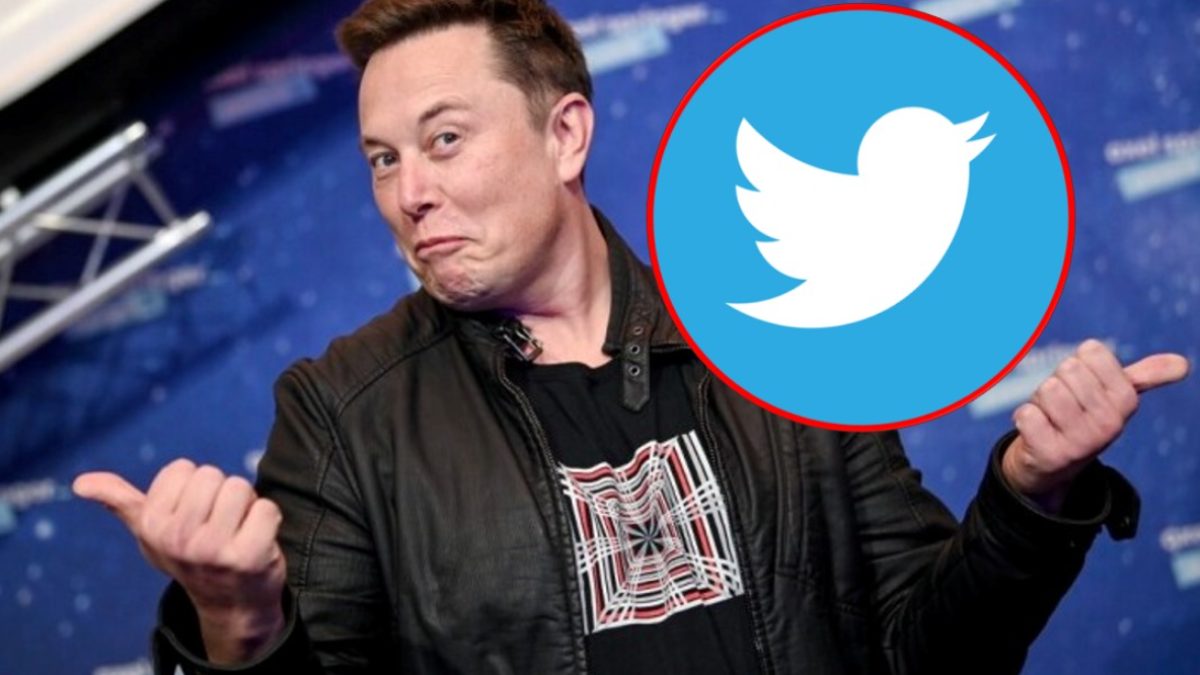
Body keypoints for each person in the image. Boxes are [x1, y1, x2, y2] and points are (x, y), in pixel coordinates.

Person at [72, 1, 1190, 673]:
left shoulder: (773, 341)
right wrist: (238, 620)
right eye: (382, 159)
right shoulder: (343, 413)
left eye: (445, 139)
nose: (410, 192)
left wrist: (1029, 496)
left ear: (564, 135)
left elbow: (928, 653)